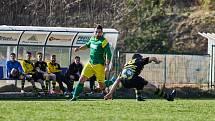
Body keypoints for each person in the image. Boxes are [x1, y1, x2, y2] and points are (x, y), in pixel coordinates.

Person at [104, 54, 176, 101]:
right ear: (138, 58)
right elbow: (153, 58)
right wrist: (156, 61)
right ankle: (169, 97)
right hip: (132, 79)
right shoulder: (139, 60)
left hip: (124, 82)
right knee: (152, 87)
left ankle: (138, 97)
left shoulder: (127, 64)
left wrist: (110, 92)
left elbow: (118, 79)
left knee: (138, 81)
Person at [70, 24, 112, 101]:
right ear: (94, 32)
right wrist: (79, 48)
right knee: (81, 79)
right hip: (90, 64)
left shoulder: (104, 41)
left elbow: (109, 54)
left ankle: (112, 81)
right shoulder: (92, 39)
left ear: (102, 32)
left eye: (99, 32)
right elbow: (87, 45)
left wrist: (107, 65)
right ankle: (74, 96)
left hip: (99, 65)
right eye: (96, 32)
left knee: (101, 86)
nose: (97, 33)